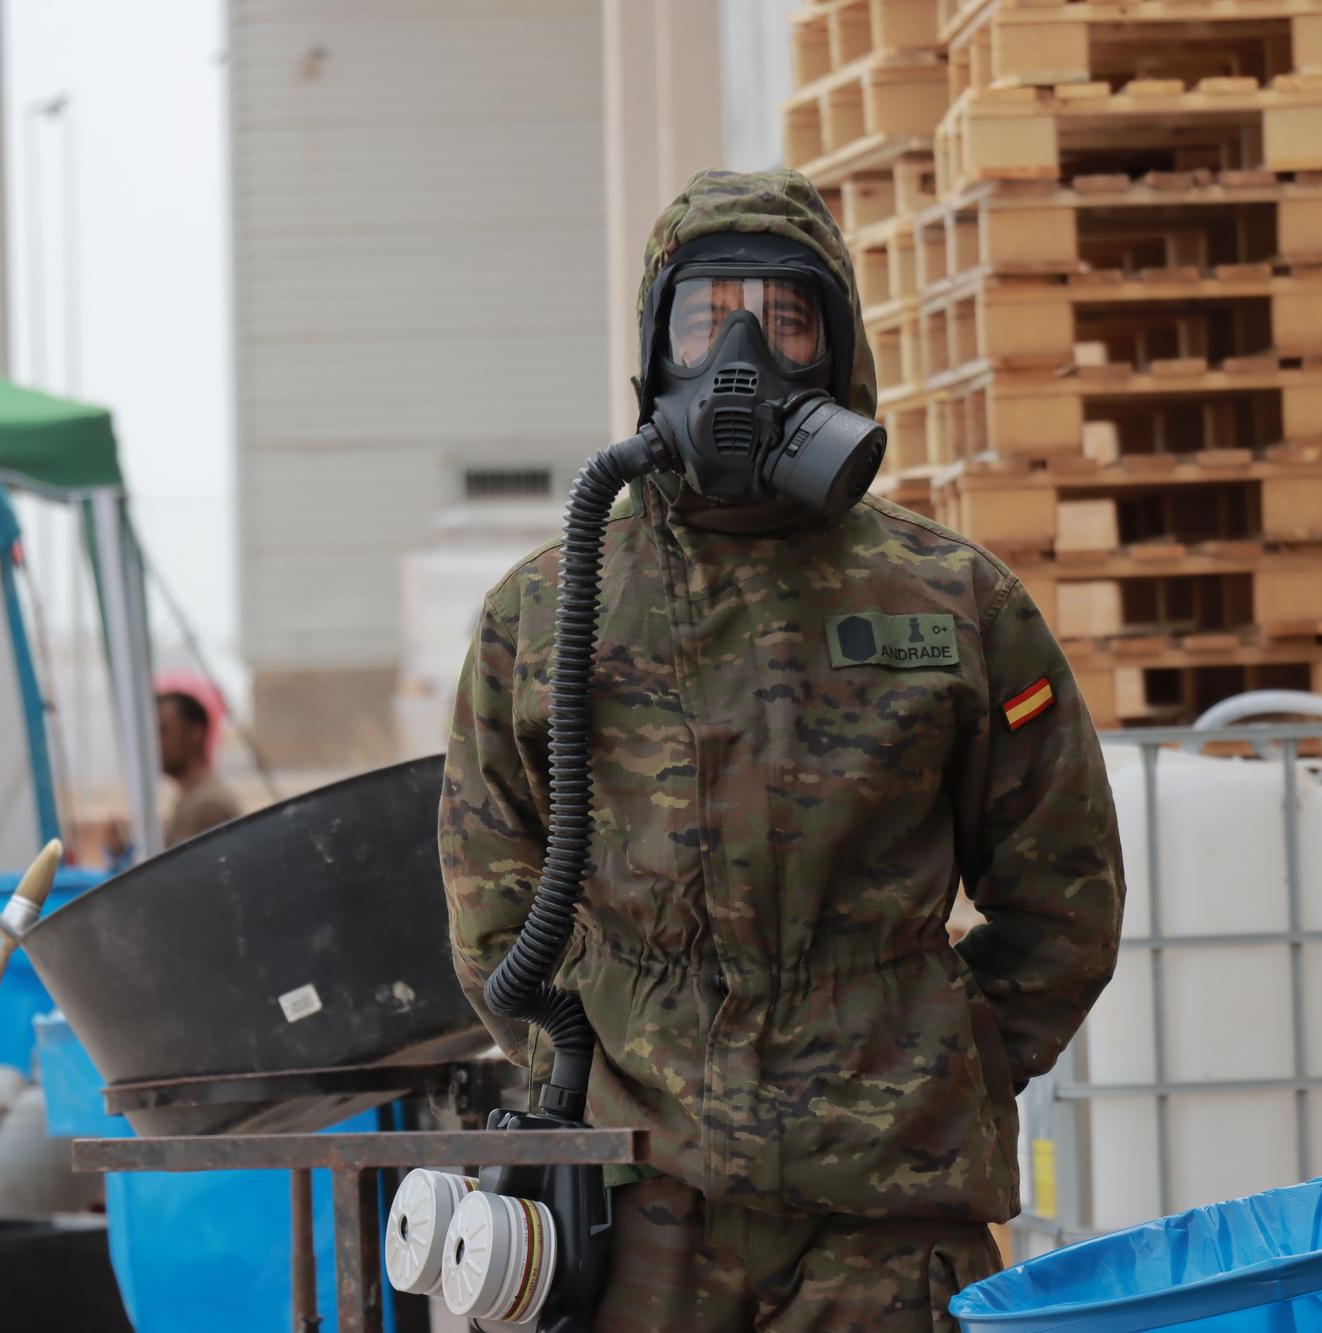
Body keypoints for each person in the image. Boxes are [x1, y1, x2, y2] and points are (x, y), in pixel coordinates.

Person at [440, 168, 1125, 1331]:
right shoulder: (550, 609)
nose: (741, 354)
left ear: (839, 350)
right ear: (657, 351)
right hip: (643, 1198)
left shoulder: (953, 600)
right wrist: (596, 1072)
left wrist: (937, 1056)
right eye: (707, 318)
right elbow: (492, 901)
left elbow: (1063, 894)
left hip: (887, 1204)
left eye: (785, 318)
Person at [158, 689, 242, 845]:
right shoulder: (193, 798)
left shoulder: (206, 807)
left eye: (163, 731)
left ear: (195, 733)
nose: (155, 742)